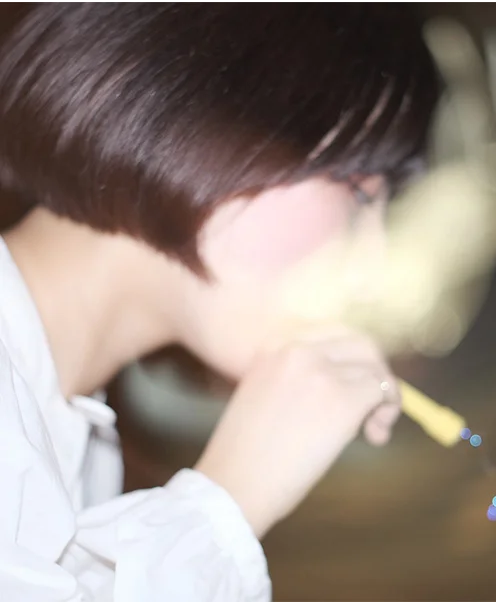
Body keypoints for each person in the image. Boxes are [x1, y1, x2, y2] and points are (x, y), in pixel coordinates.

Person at [0, 2, 439, 601]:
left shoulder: (76, 438)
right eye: (360, 195)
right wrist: (226, 507)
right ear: (193, 106)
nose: (371, 269)